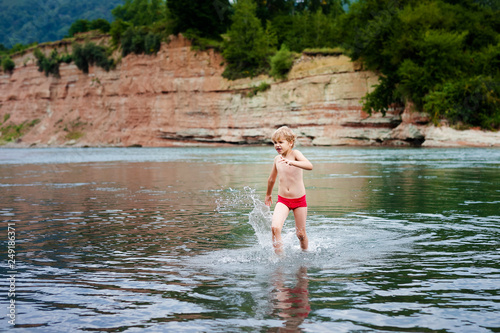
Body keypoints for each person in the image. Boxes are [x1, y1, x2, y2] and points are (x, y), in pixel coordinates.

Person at [265, 126, 313, 255]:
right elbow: (271, 179)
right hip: (283, 200)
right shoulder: (277, 159)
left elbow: (309, 166)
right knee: (275, 228)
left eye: (281, 142)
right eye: (275, 143)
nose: (277, 145)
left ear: (290, 142)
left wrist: (292, 162)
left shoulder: (296, 154)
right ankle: (279, 259)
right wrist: (268, 194)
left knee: (301, 234)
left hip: (299, 201)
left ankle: (305, 254)